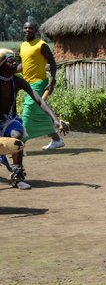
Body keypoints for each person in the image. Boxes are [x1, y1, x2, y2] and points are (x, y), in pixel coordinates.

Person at [0, 49, 66, 189]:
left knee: (16, 137)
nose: (15, 64)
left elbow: (39, 100)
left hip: (9, 120)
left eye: (15, 60)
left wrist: (54, 118)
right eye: (10, 61)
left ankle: (18, 177)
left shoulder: (17, 82)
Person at [17, 21, 65, 150]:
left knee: (27, 112)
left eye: (30, 28)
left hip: (39, 83)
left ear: (35, 30)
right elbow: (23, 65)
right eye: (25, 27)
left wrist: (52, 81)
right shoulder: (23, 46)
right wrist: (10, 70)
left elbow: (53, 63)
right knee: (39, 114)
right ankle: (57, 140)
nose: (27, 30)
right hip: (27, 83)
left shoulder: (41, 45)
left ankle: (20, 143)